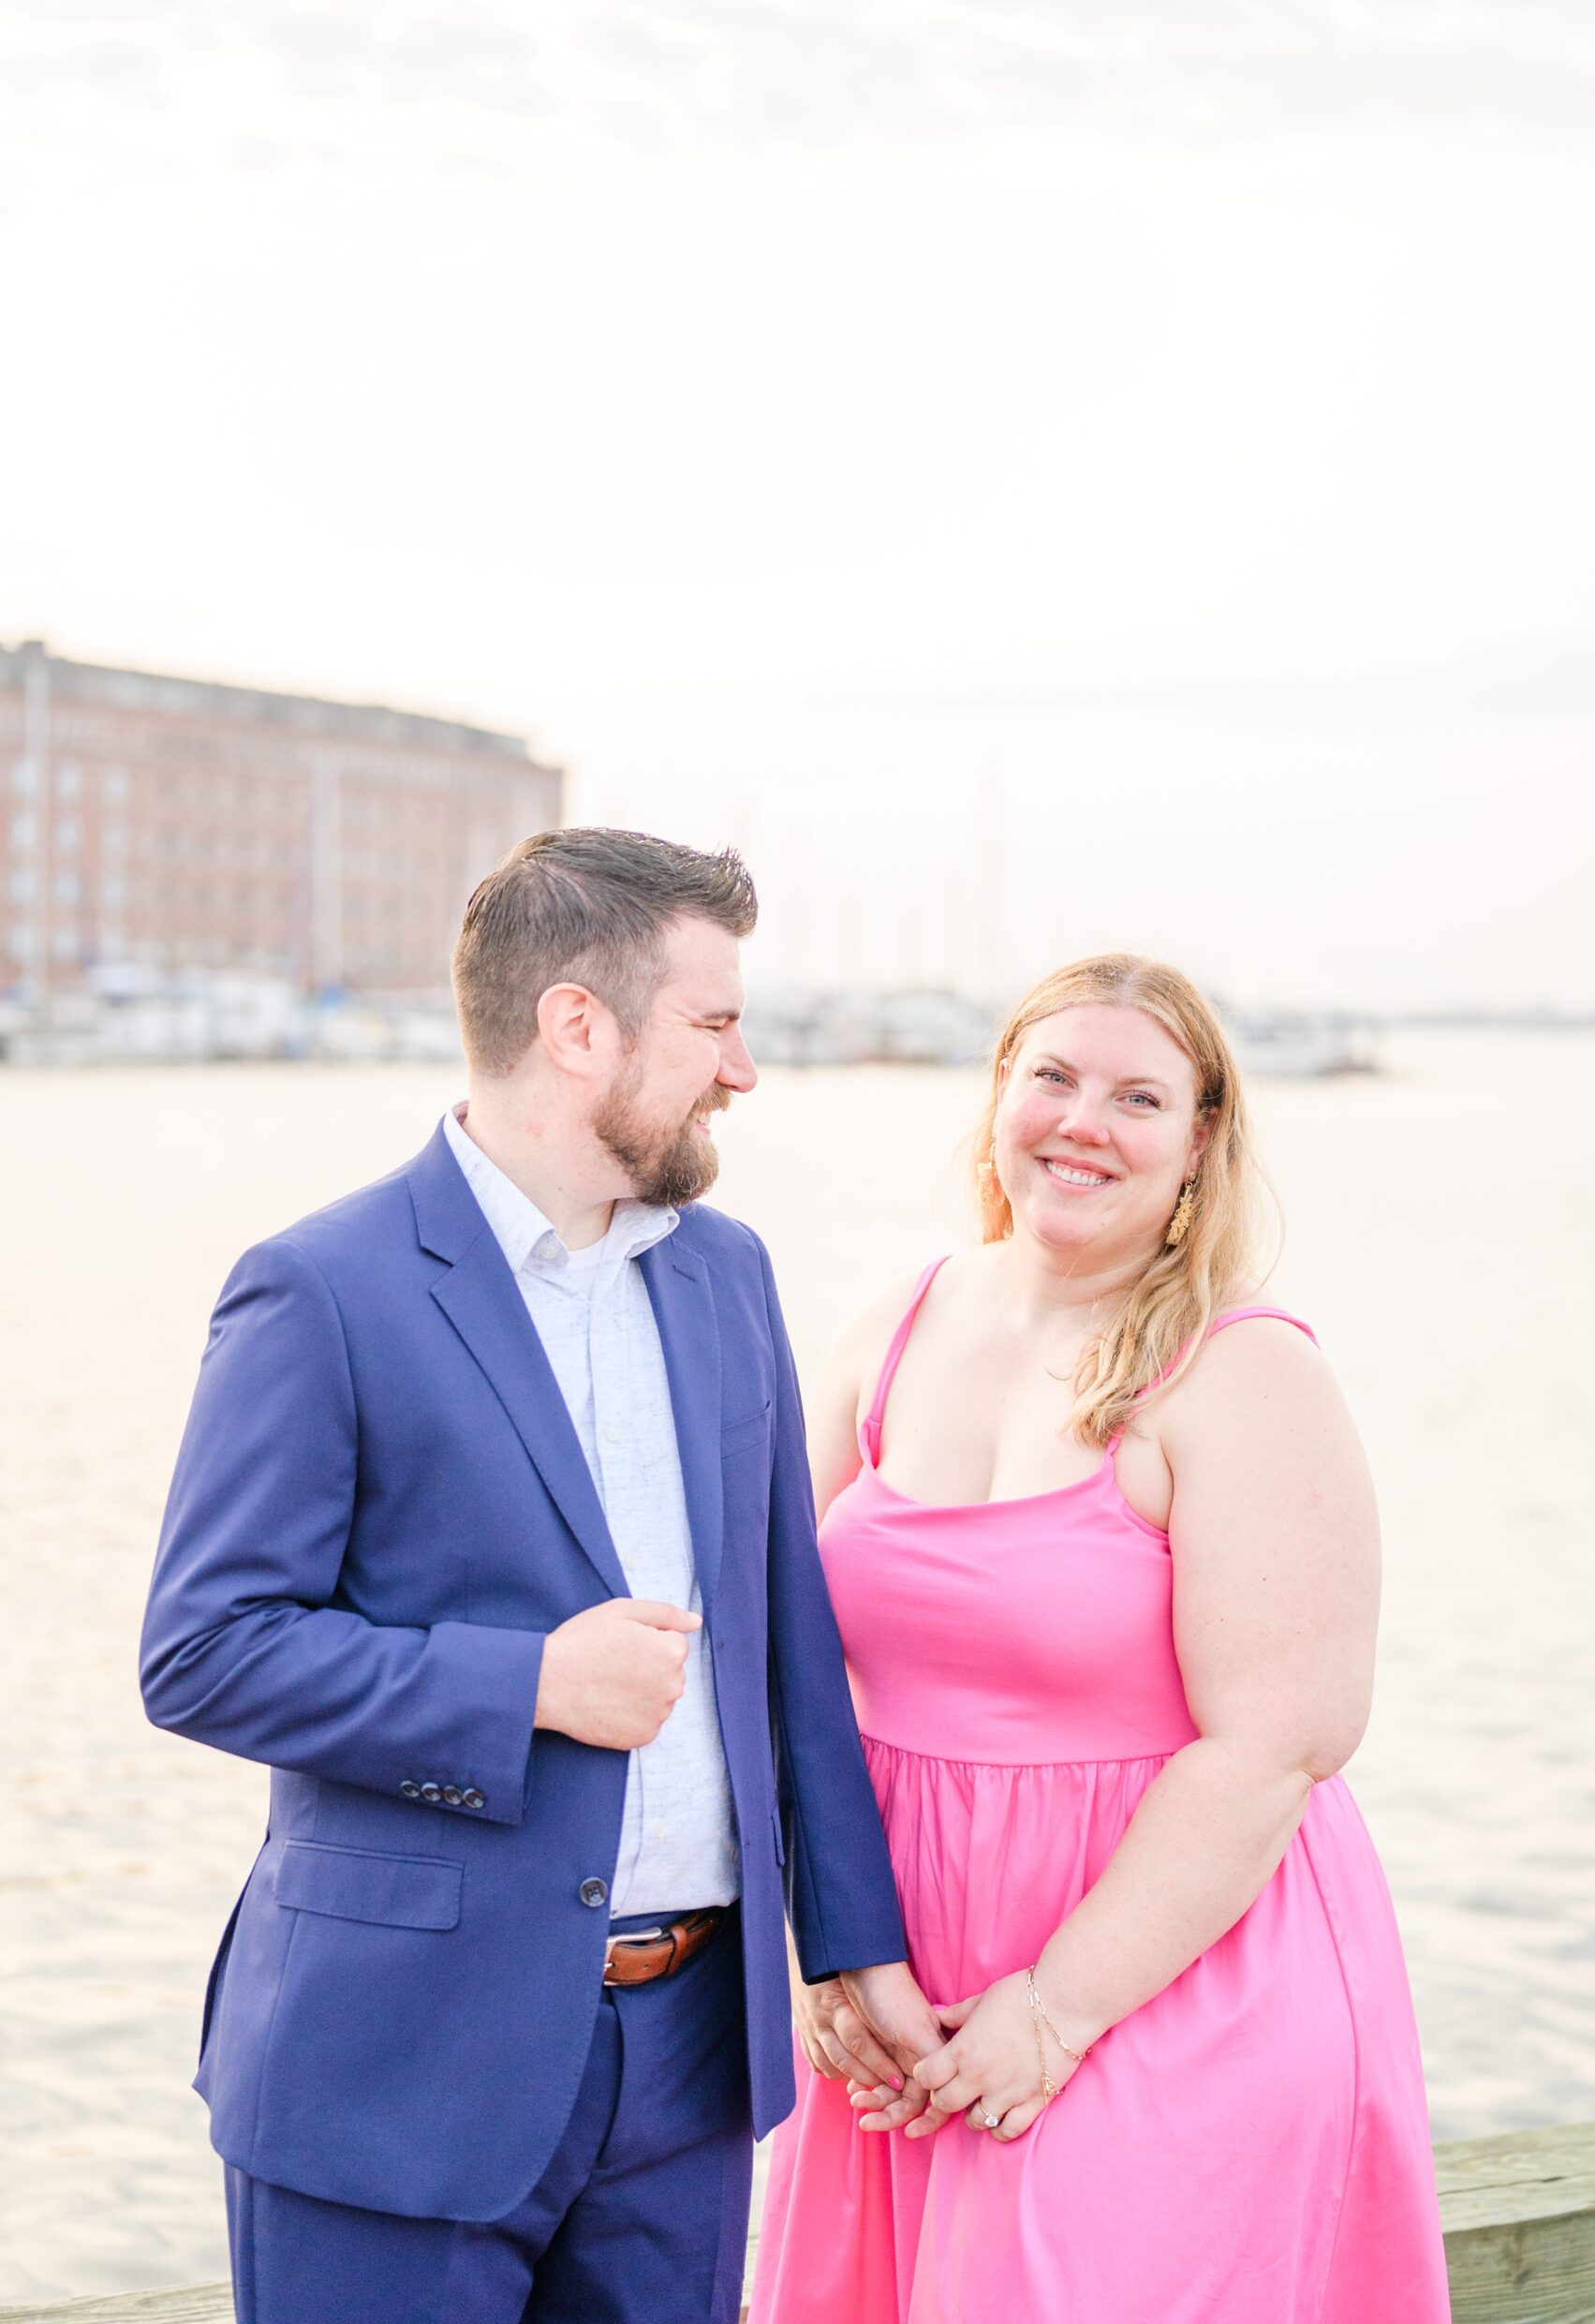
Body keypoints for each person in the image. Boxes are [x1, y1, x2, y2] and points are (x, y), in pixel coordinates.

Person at [140, 828, 922, 2324]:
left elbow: (784, 1646)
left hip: (690, 2059)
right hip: (393, 2072)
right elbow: (205, 1649)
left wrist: (855, 1945)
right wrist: (531, 1686)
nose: (742, 1071)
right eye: (713, 1025)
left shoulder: (727, 1274)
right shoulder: (322, 1288)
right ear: (579, 1026)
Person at [751, 953, 1453, 2324]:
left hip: (1157, 1972)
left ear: (1200, 1144)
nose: (1084, 1121)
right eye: (1054, 1076)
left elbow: (1278, 1744)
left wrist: (1059, 2012)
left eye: (1140, 1097)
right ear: (999, 1093)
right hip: (900, 1983)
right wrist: (829, 1955)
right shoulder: (888, 1331)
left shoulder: (1243, 1372)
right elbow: (780, 1669)